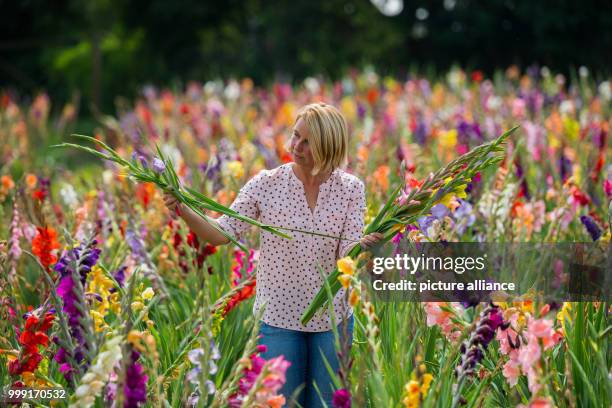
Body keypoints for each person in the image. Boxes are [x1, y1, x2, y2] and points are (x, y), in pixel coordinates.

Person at [164, 102, 383, 407]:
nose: (296, 146)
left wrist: (366, 247)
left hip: (332, 321)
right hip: (279, 319)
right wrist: (181, 209)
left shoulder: (350, 189)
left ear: (328, 147)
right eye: (295, 136)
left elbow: (346, 256)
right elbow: (221, 233)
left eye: (308, 142)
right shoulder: (266, 185)